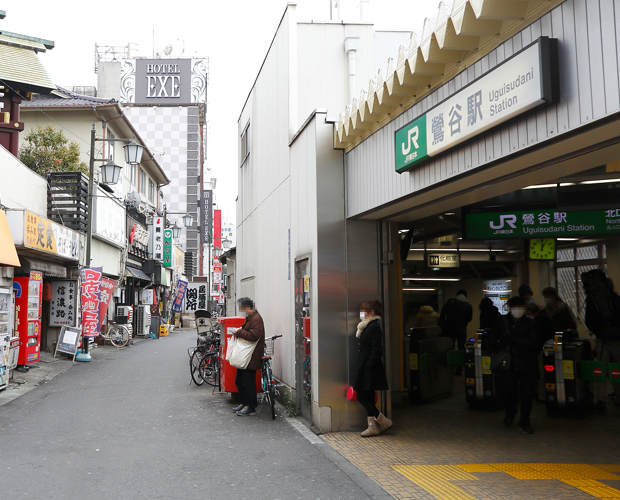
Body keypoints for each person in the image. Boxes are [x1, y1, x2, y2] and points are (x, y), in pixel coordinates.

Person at [497, 296, 540, 434]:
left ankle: (524, 422)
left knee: (527, 395)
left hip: (528, 364)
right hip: (509, 364)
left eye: (520, 307)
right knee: (508, 391)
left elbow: (534, 342)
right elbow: (494, 336)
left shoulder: (531, 323)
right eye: (515, 307)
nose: (517, 310)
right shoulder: (503, 322)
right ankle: (510, 412)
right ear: (509, 308)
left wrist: (514, 340)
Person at [582, 270, 620, 410]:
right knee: (617, 370)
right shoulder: (615, 298)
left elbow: (589, 321)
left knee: (600, 371)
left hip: (602, 340)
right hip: (617, 340)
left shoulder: (592, 300)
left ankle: (601, 400)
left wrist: (600, 331)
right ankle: (618, 397)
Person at [353, 299, 391, 437]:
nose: (361, 313)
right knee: (367, 396)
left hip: (369, 368)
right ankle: (372, 427)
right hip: (366, 366)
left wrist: (368, 365)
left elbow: (377, 350)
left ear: (371, 312)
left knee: (361, 395)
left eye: (364, 311)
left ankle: (383, 420)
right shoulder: (367, 326)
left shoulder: (373, 327)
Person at [231, 297, 265, 416]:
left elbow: (254, 335)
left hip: (251, 355)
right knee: (239, 381)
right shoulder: (251, 318)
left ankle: (250, 406)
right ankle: (245, 403)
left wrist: (239, 332)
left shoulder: (256, 319)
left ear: (249, 307)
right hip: (246, 355)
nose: (242, 311)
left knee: (248, 382)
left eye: (243, 309)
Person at [439, 289, 473, 375]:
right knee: (461, 349)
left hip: (450, 329)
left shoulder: (451, 301)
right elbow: (469, 319)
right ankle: (459, 368)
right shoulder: (468, 305)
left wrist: (443, 326)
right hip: (462, 330)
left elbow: (443, 314)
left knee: (450, 348)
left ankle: (450, 368)